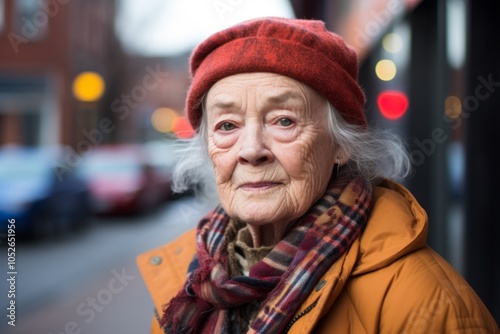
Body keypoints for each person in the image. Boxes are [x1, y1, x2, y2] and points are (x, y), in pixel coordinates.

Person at [136, 17, 499, 333]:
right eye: (227, 125)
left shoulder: (425, 304)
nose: (250, 150)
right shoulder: (185, 286)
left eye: (284, 121)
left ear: (341, 145)